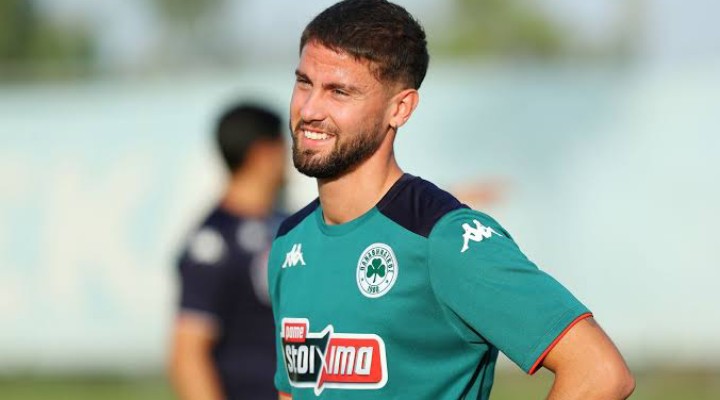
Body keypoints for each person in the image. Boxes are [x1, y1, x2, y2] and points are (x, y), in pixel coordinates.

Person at [268, 1, 635, 399]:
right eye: (304, 83)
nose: (309, 109)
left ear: (400, 108)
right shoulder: (290, 242)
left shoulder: (443, 239)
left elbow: (600, 372)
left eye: (339, 92)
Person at [169, 103, 287, 400]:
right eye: (283, 145)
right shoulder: (212, 244)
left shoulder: (289, 226)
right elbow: (188, 355)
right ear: (262, 153)